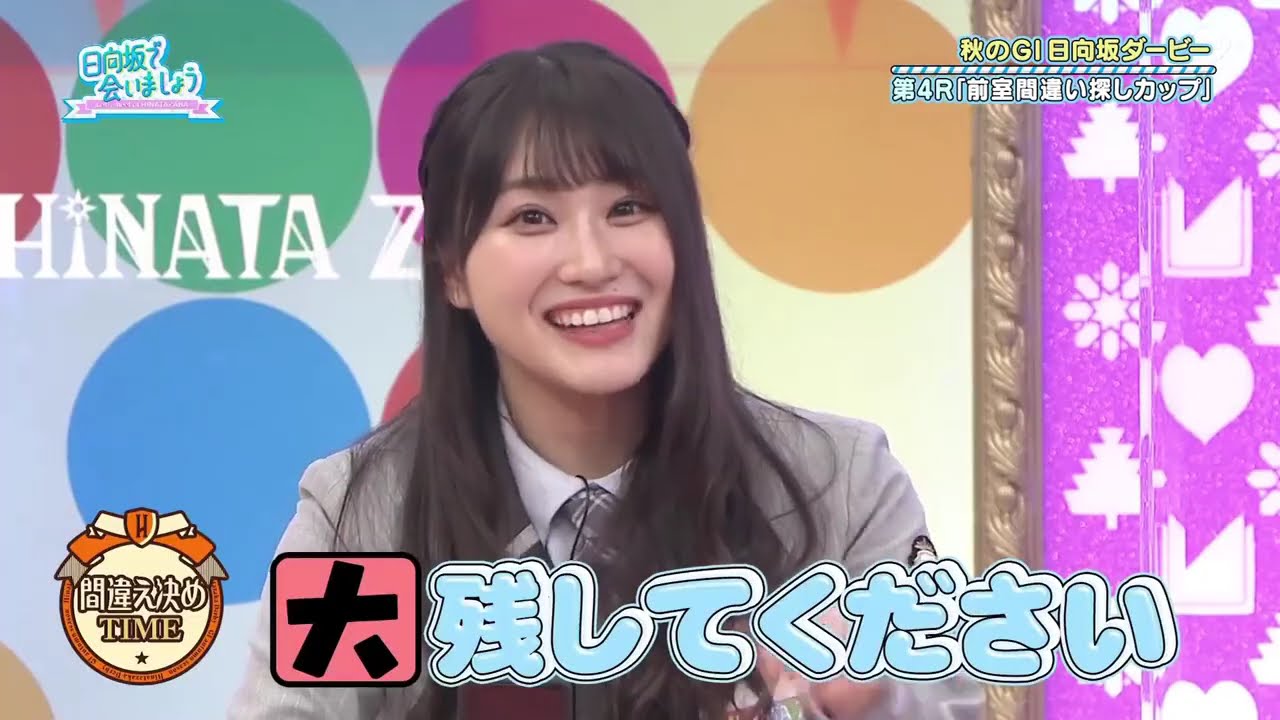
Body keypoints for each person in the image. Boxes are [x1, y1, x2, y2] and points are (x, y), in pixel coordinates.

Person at [228, 41, 985, 720]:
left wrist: (871, 700)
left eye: (628, 208)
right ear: (454, 271)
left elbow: (949, 699)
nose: (591, 263)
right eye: (532, 217)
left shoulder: (838, 482)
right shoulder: (366, 516)